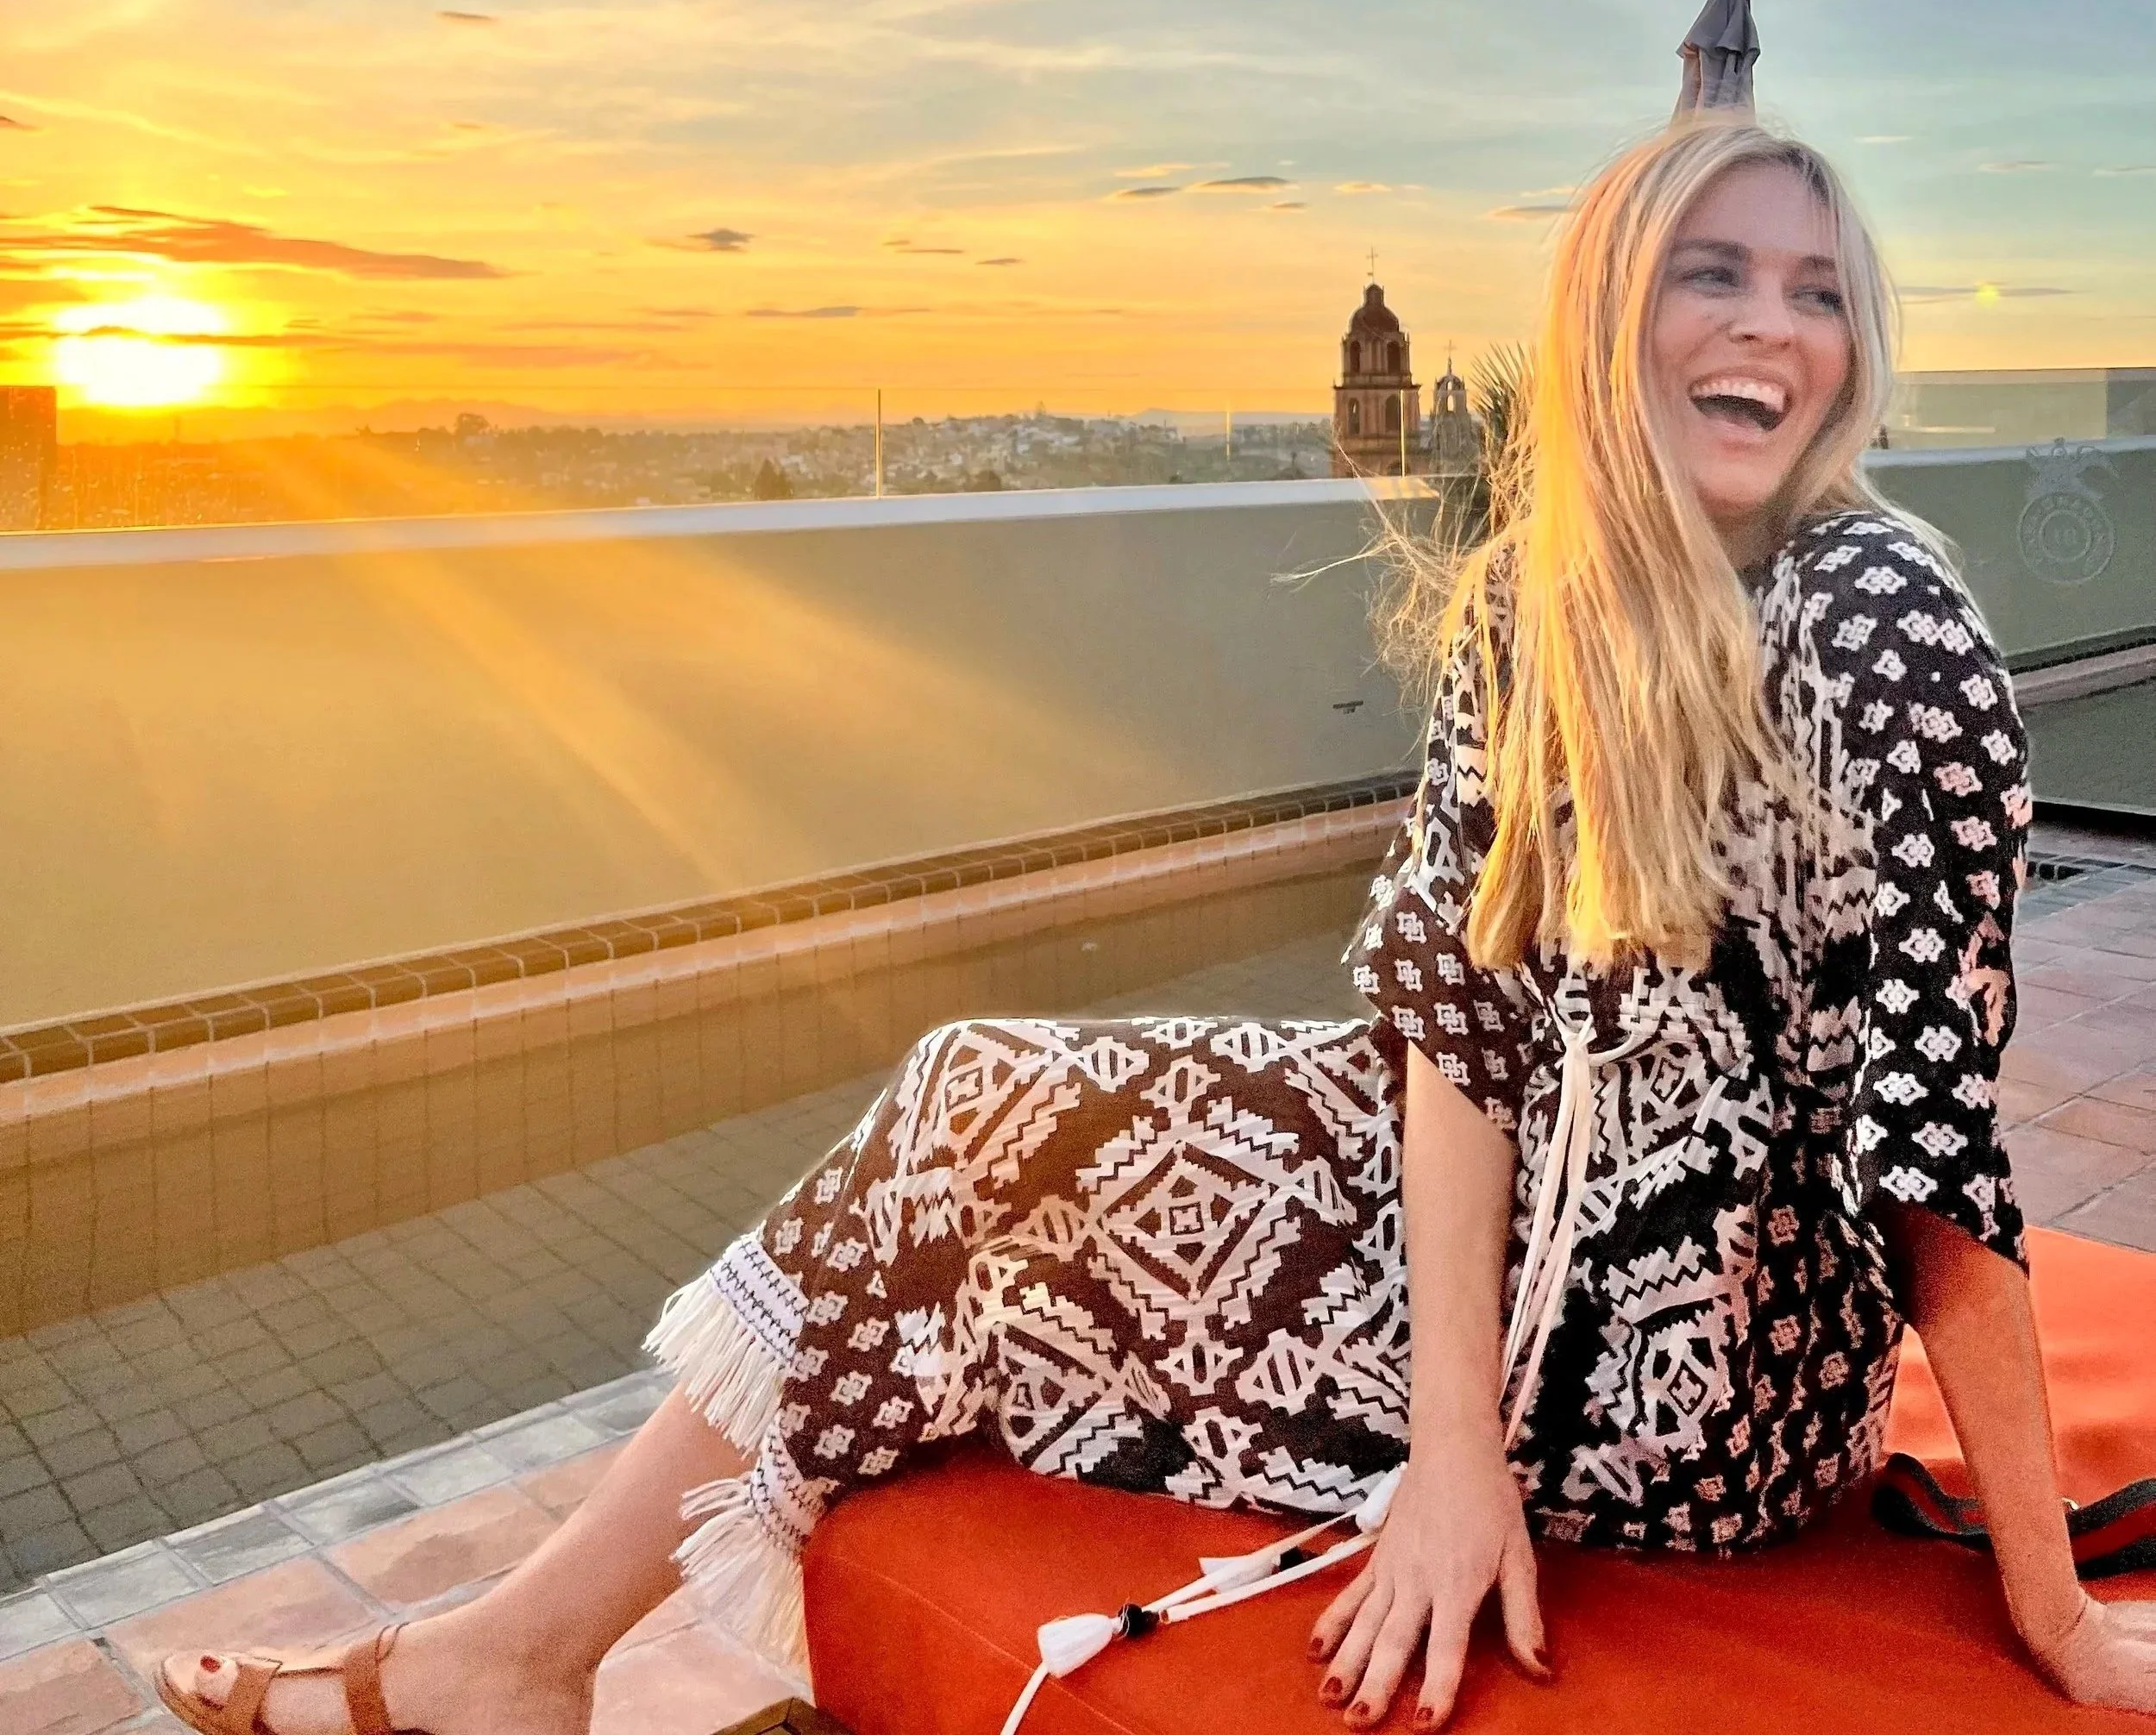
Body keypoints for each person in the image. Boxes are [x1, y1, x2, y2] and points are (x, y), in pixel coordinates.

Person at [157, 122, 2156, 1734]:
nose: (1768, 326)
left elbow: (1929, 1145)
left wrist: (2045, 1599)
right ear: (1607, 319)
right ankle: (525, 1643)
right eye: (1707, 269)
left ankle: (520, 1644)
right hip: (1527, 1223)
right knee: (975, 1102)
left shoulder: (1885, 627)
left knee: (975, 1235)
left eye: (1814, 288)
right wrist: (1444, 1445)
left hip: (1700, 1367)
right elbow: (1451, 1040)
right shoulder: (1535, 605)